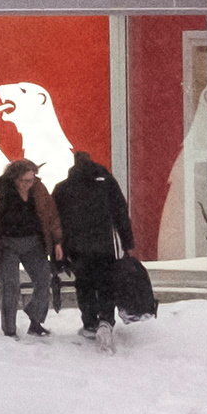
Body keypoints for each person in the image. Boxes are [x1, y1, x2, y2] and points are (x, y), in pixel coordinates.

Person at [49, 143, 147, 341]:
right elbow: (120, 214)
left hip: (76, 247)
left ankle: (90, 322)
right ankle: (106, 320)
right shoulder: (107, 184)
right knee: (105, 282)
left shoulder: (63, 188)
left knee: (84, 284)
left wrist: (56, 254)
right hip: (104, 245)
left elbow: (54, 222)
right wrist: (127, 243)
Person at [0, 152, 59, 339]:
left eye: (31, 180)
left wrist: (58, 241)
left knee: (44, 279)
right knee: (11, 286)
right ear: (14, 178)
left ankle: (35, 320)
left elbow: (50, 215)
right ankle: (9, 329)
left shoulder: (38, 188)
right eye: (24, 181)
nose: (28, 184)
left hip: (34, 242)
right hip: (7, 243)